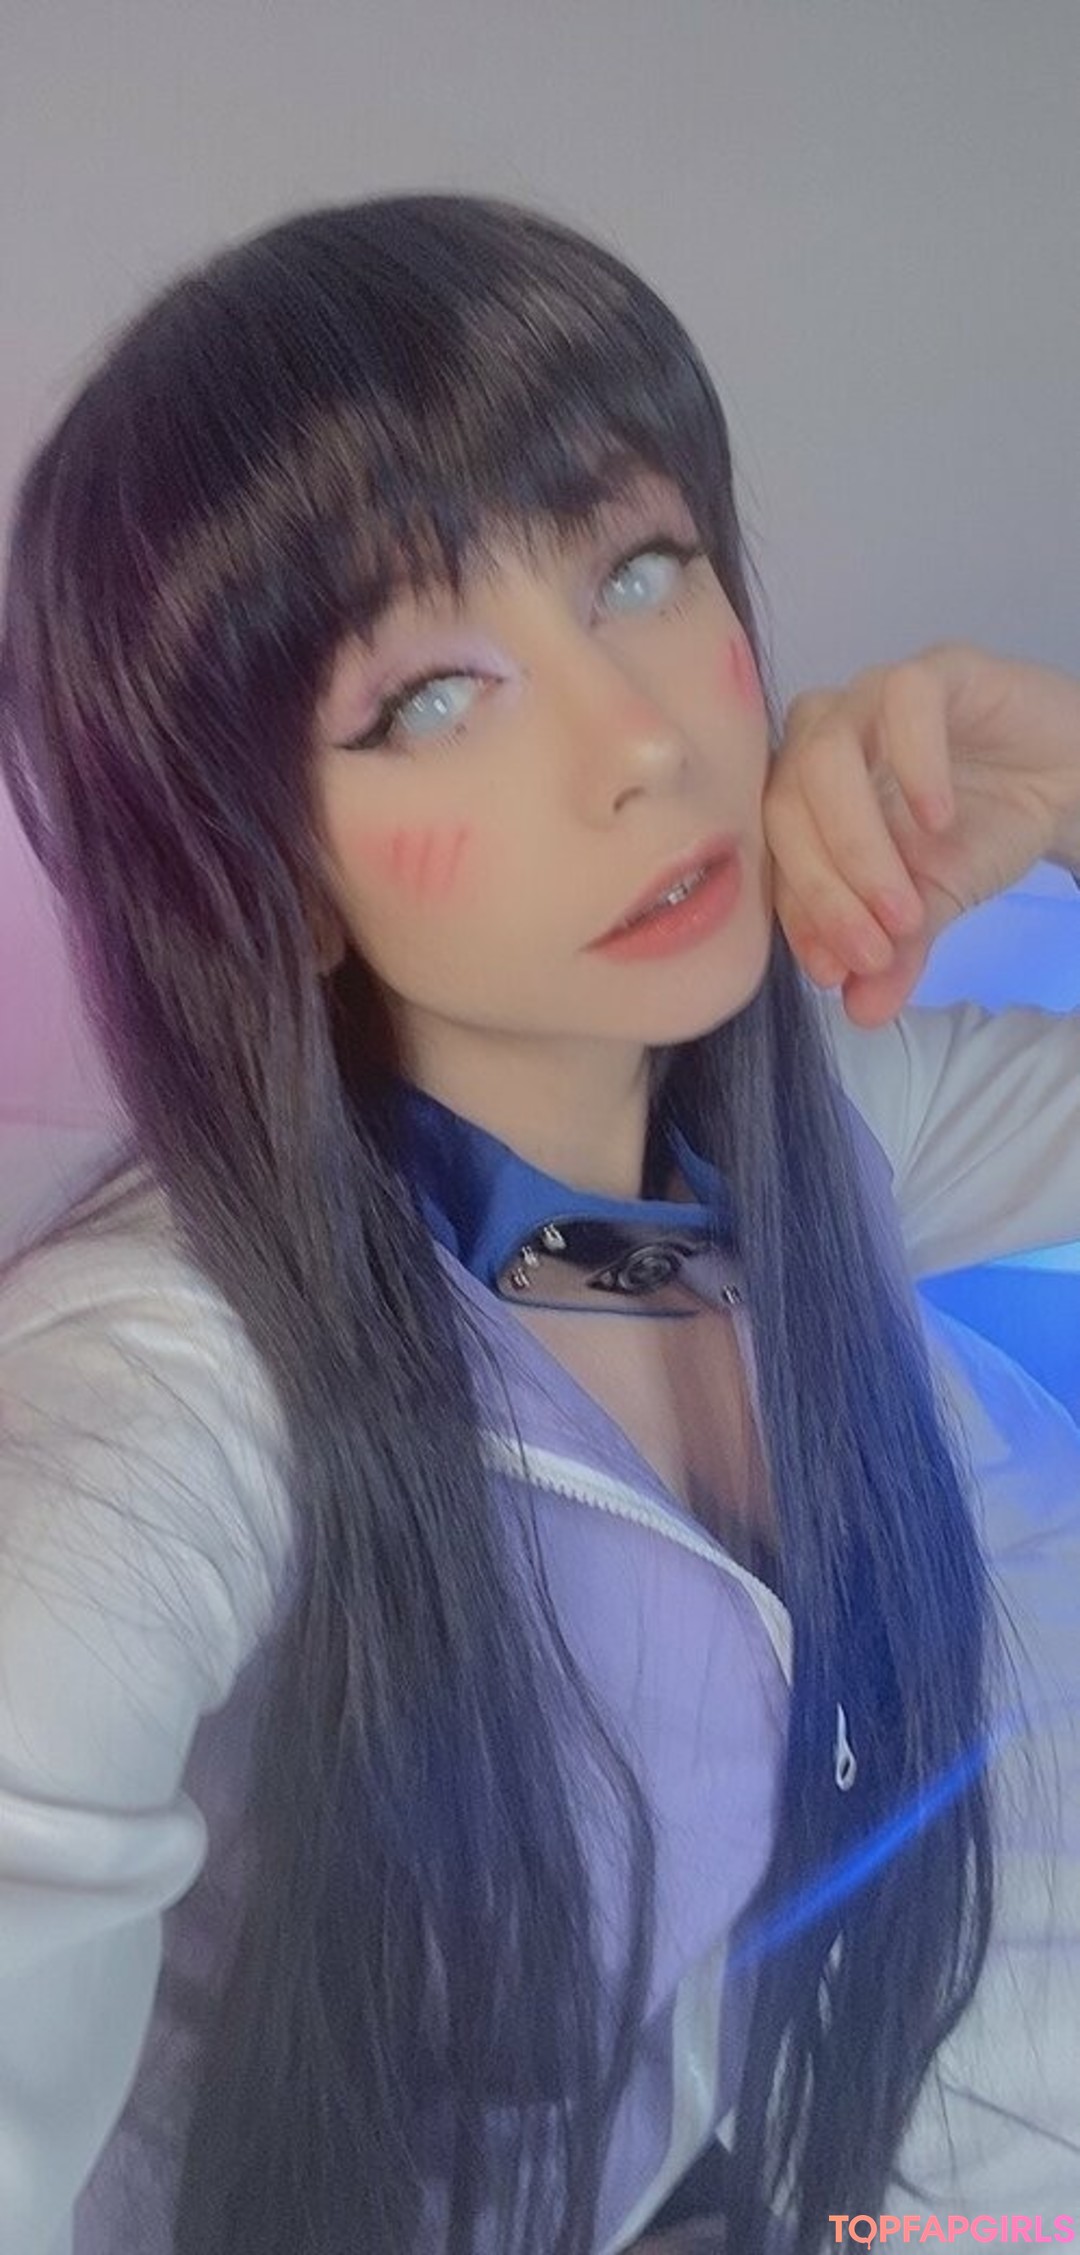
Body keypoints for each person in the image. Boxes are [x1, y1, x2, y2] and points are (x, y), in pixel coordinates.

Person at [0, 193, 1077, 2255]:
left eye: (640, 569)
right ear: (270, 872)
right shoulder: (171, 1379)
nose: (642, 740)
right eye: (429, 699)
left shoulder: (814, 1139)